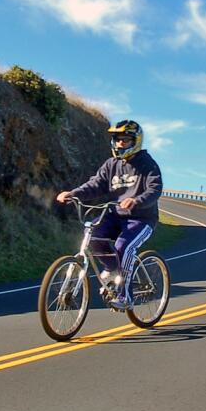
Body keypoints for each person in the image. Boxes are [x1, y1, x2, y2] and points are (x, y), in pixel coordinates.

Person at [55, 120, 162, 306]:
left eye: (126, 140)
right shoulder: (111, 164)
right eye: (118, 139)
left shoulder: (147, 163)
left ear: (136, 141)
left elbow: (155, 189)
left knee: (123, 246)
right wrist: (73, 194)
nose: (121, 143)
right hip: (115, 215)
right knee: (93, 236)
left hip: (142, 218)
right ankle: (114, 269)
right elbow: (95, 184)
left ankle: (125, 297)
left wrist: (136, 201)